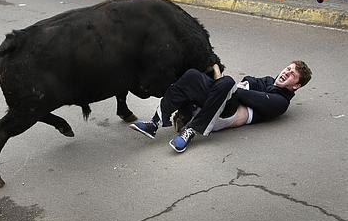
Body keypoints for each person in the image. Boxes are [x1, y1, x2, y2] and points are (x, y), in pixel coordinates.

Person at [130, 61, 312, 153]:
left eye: (292, 75)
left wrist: (222, 80)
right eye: (288, 69)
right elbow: (247, 82)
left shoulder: (281, 102)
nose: (286, 73)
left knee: (226, 83)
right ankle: (155, 123)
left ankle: (191, 131)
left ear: (296, 86)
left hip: (227, 115)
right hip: (219, 103)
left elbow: (241, 92)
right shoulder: (268, 81)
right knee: (193, 74)